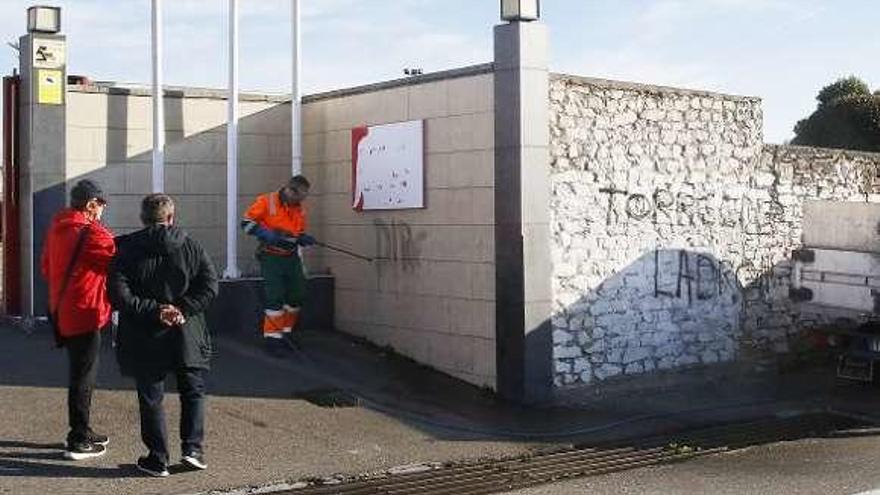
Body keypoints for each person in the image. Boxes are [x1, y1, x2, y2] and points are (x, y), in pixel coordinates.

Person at [109, 193, 218, 477]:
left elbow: (120, 294)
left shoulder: (128, 249)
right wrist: (181, 308)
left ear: (143, 218)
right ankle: (193, 450)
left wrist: (155, 311)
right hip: (187, 333)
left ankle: (157, 459)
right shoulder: (192, 246)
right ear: (171, 217)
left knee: (151, 397)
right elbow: (210, 286)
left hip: (144, 334)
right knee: (192, 391)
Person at [40, 179, 116, 460]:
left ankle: (83, 428)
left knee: (79, 372)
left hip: (62, 311)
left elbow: (46, 268)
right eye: (101, 205)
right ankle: (78, 438)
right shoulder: (91, 234)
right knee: (84, 377)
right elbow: (115, 263)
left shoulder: (57, 228)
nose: (103, 210)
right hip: (85, 313)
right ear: (90, 205)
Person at [240, 175, 316, 356]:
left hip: (291, 256)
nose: (300, 202)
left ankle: (286, 332)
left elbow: (297, 231)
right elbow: (246, 223)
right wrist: (265, 233)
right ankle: (273, 339)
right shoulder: (267, 201)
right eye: (299, 198)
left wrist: (302, 238)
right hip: (271, 256)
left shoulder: (298, 208)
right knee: (275, 296)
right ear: (290, 190)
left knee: (297, 293)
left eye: (303, 198)